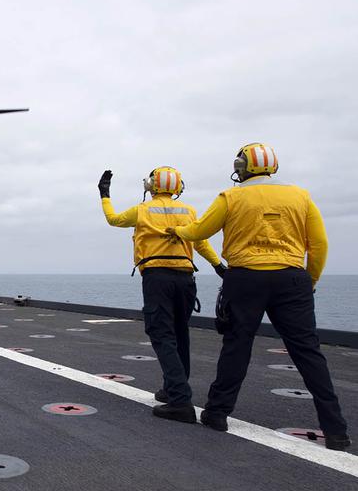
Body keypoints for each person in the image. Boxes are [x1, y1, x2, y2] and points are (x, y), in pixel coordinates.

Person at [166, 143, 350, 450]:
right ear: (272, 167)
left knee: (237, 346)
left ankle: (217, 413)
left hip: (245, 278)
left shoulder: (231, 196)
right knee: (308, 352)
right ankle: (336, 430)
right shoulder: (300, 195)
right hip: (292, 279)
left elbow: (200, 231)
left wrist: (178, 232)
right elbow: (318, 244)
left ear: (242, 167)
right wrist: (310, 280)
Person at [99, 167, 226, 423]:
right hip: (185, 278)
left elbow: (113, 220)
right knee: (180, 333)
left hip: (158, 277)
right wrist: (218, 266)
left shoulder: (143, 210)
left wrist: (105, 194)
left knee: (161, 333)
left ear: (151, 186)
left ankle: (180, 398)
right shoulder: (188, 211)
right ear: (178, 187)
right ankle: (172, 388)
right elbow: (200, 241)